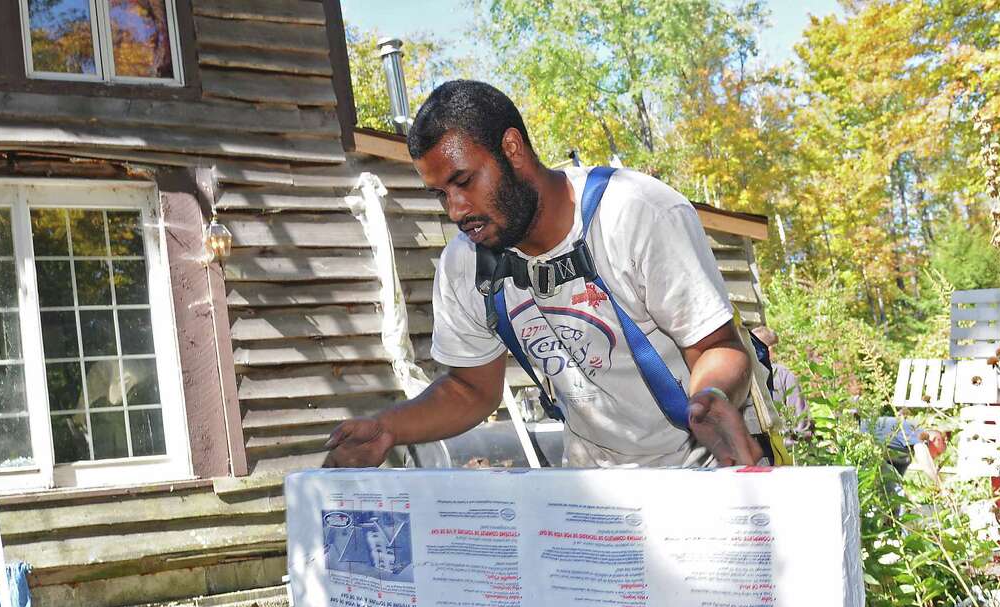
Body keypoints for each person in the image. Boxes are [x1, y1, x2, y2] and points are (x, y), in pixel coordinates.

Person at [324, 80, 761, 469]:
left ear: (512, 149)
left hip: (702, 468)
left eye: (464, 181)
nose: (455, 210)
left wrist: (712, 399)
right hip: (591, 487)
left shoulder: (634, 214)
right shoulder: (467, 264)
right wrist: (389, 428)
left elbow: (718, 348)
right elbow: (471, 389)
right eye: (441, 194)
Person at [750, 326, 811, 444]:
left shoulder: (744, 375)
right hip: (784, 448)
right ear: (770, 349)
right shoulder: (783, 375)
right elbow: (800, 418)